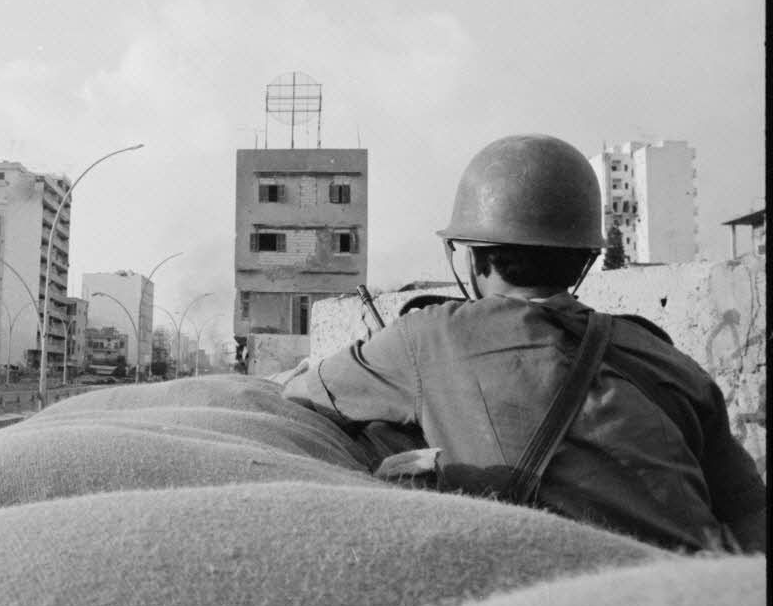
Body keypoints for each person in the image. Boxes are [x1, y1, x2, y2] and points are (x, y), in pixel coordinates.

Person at [282, 134, 766, 554]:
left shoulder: (427, 337)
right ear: (583, 261)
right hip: (708, 604)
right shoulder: (667, 358)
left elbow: (303, 394)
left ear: (471, 258)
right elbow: (749, 512)